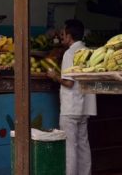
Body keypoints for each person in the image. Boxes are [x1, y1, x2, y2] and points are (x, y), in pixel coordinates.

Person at [47, 19, 97, 175]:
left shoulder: (70, 53)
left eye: (63, 34)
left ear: (69, 36)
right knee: (83, 144)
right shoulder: (87, 51)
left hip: (71, 107)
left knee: (70, 147)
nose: (62, 37)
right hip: (85, 107)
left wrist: (54, 76)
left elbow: (68, 82)